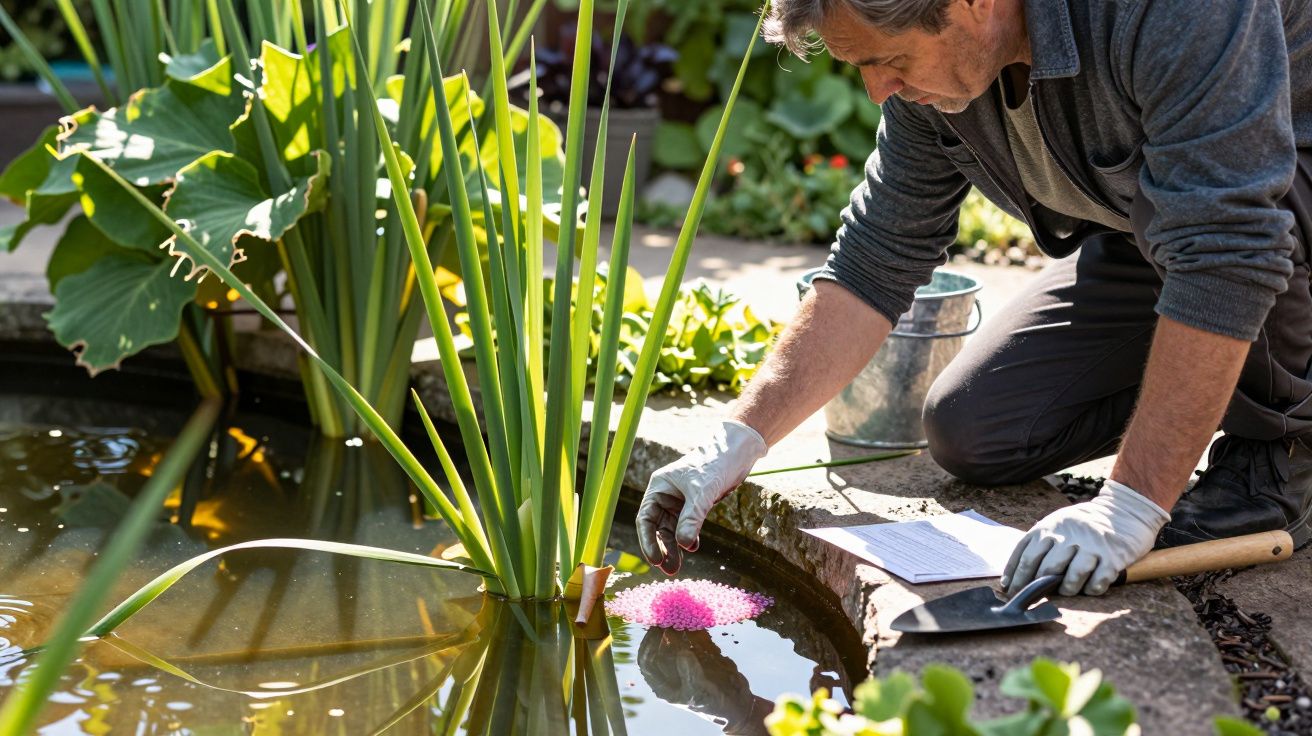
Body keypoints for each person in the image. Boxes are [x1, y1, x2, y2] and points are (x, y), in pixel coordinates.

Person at [637, 0, 1312, 599]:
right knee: (981, 431)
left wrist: (1131, 503)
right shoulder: (945, 69)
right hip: (1162, 231)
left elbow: (1231, 248)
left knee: (1237, 242)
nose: (878, 91)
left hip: (1265, 202)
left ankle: (1280, 454)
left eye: (889, 60)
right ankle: (1212, 377)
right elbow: (877, 255)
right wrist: (737, 438)